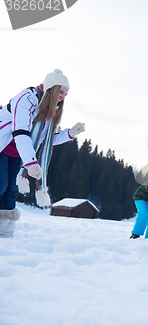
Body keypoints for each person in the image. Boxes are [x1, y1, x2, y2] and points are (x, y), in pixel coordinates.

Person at [0, 69, 85, 237]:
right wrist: (31, 162)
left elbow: (47, 139)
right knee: (1, 185)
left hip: (17, 153)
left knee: (10, 190)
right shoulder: (26, 99)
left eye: (65, 94)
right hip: (2, 146)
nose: (63, 97)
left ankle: (5, 232)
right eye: (61, 92)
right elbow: (21, 132)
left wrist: (70, 134)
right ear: (51, 88)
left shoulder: (48, 112)